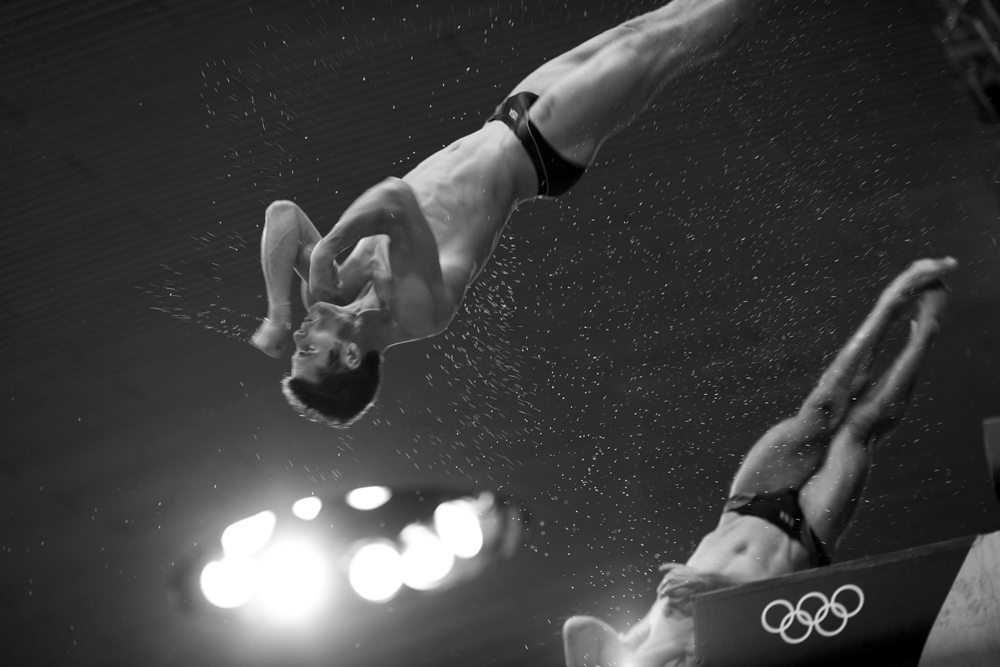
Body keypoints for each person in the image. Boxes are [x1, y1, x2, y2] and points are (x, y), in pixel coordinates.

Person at [250, 0, 774, 426]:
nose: (298, 335)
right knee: (667, 42)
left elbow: (282, 214)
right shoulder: (414, 313)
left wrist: (277, 310)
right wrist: (327, 247)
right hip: (546, 146)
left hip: (510, 115)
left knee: (657, 26)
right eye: (306, 350)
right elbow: (394, 199)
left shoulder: (332, 291)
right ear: (347, 356)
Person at [561, 257, 957, 667]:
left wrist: (630, 636)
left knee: (819, 413)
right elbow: (769, 619)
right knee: (860, 429)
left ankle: (890, 303)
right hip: (806, 539)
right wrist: (715, 587)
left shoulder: (638, 648)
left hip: (746, 507)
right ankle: (926, 329)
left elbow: (577, 628)